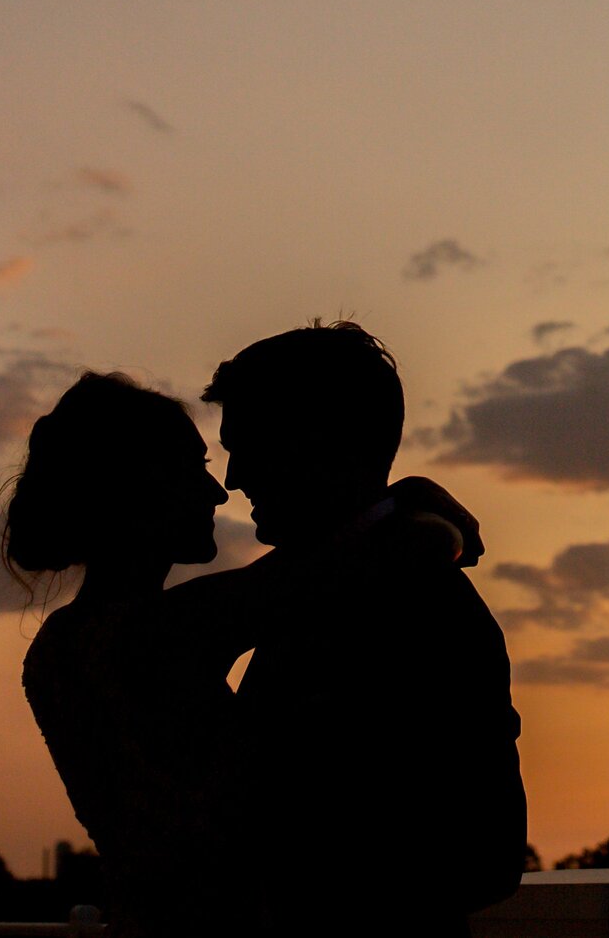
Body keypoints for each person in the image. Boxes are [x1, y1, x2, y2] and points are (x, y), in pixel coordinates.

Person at [0, 370, 477, 938]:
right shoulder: (161, 629)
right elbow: (396, 551)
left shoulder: (65, 642)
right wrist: (410, 501)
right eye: (193, 468)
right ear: (137, 488)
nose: (218, 491)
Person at [204, 323, 528, 938]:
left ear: (322, 443)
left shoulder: (421, 602)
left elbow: (486, 856)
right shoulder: (321, 586)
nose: (234, 478)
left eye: (250, 446)